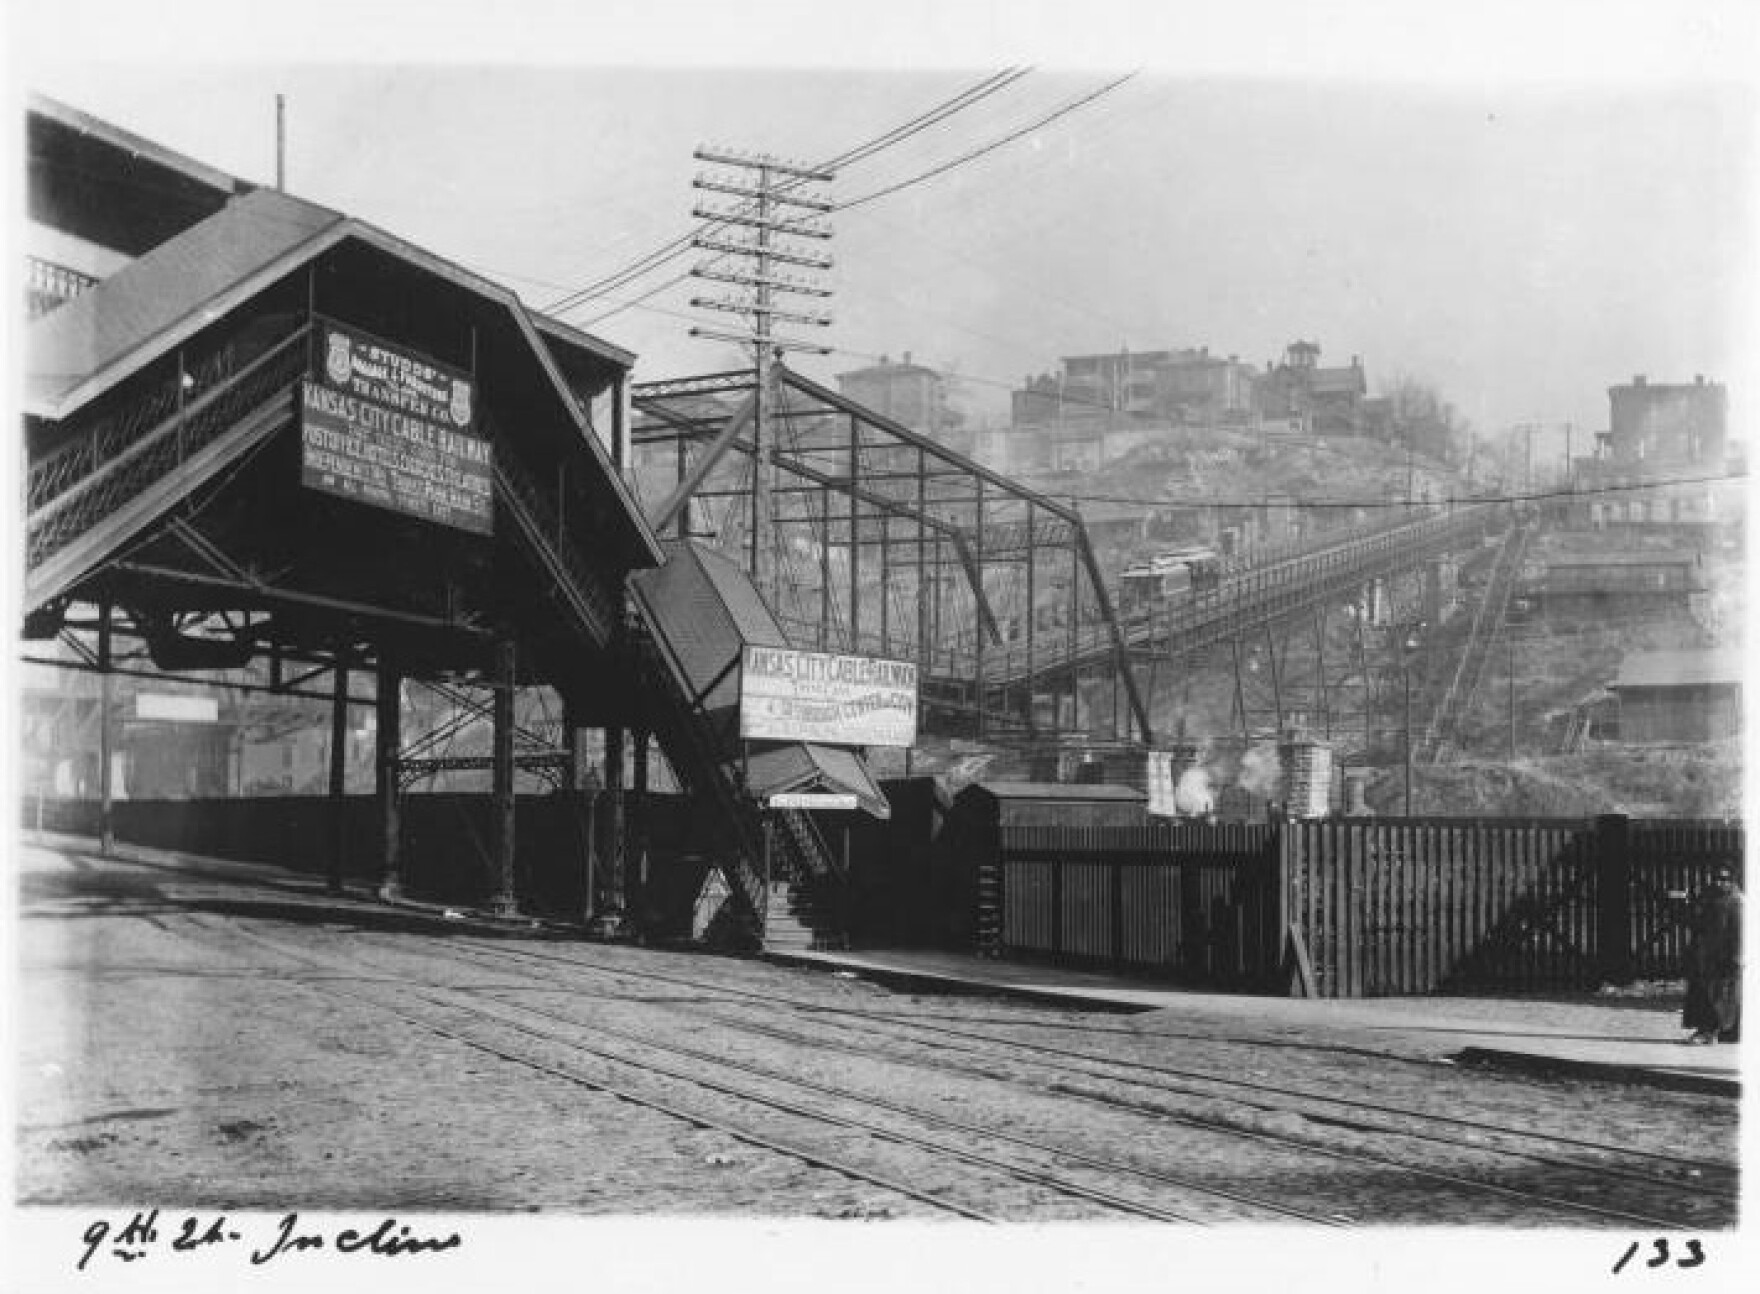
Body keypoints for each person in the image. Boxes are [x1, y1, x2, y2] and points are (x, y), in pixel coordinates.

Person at [1682, 866, 1742, 1045]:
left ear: (1732, 881)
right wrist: (1688, 905)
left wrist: (1737, 956)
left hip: (1723, 957)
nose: (1719, 883)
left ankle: (1712, 1032)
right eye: (1716, 878)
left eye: (1724, 879)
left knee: (1720, 997)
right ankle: (1709, 1030)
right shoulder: (1706, 898)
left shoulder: (1735, 902)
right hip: (1704, 955)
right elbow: (1695, 924)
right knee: (1703, 994)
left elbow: (1739, 932)